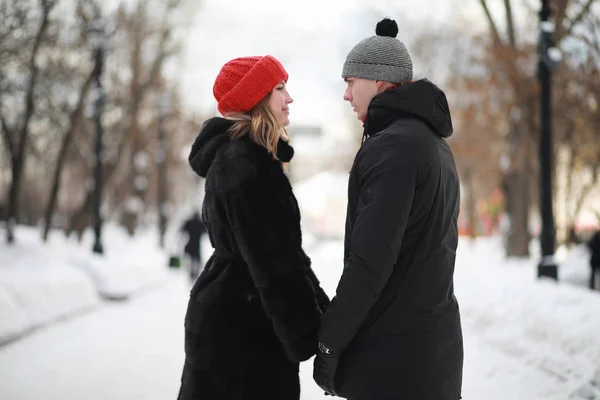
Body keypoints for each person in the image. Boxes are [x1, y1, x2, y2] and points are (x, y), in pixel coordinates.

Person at [313, 18, 463, 400]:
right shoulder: (433, 144)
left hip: (393, 360)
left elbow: (370, 262)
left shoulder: (392, 149)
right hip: (432, 355)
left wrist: (330, 344)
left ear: (379, 82)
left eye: (351, 82)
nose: (346, 95)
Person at [177, 55, 330, 400]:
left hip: (242, 323)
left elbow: (285, 253)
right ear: (255, 99)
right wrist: (315, 335)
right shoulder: (242, 161)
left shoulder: (250, 158)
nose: (289, 98)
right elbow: (271, 261)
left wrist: (324, 311)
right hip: (240, 336)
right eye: (279, 88)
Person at [180, 211, 207, 281]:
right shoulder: (200, 223)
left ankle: (192, 273)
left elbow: (182, 230)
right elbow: (205, 231)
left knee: (192, 259)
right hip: (197, 245)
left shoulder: (189, 222)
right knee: (197, 260)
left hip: (190, 244)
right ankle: (195, 273)